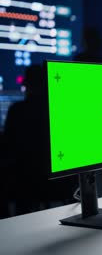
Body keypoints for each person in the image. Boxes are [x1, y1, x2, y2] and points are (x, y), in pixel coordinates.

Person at [3, 65, 77, 215]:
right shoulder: (61, 112)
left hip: (25, 186)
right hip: (62, 185)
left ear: (26, 84)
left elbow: (7, 147)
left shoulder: (17, 111)